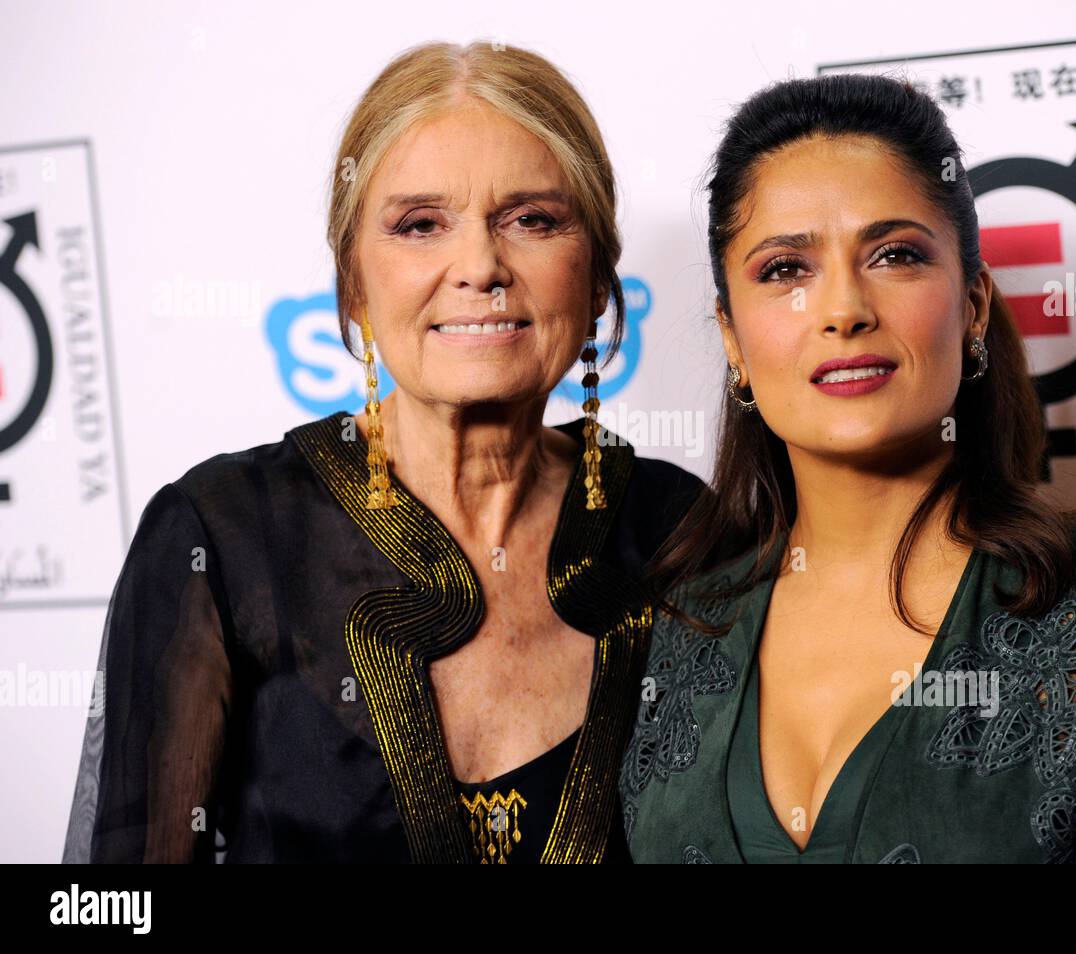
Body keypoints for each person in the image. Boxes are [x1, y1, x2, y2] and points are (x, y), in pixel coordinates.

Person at [62, 41, 702, 864]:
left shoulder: (677, 533)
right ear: (354, 286)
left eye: (532, 219)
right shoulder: (219, 539)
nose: (479, 267)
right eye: (420, 225)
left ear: (598, 277)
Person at [620, 73, 1076, 864]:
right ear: (732, 339)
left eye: (894, 255)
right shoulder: (679, 630)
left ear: (974, 307)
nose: (844, 309)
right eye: (786, 269)